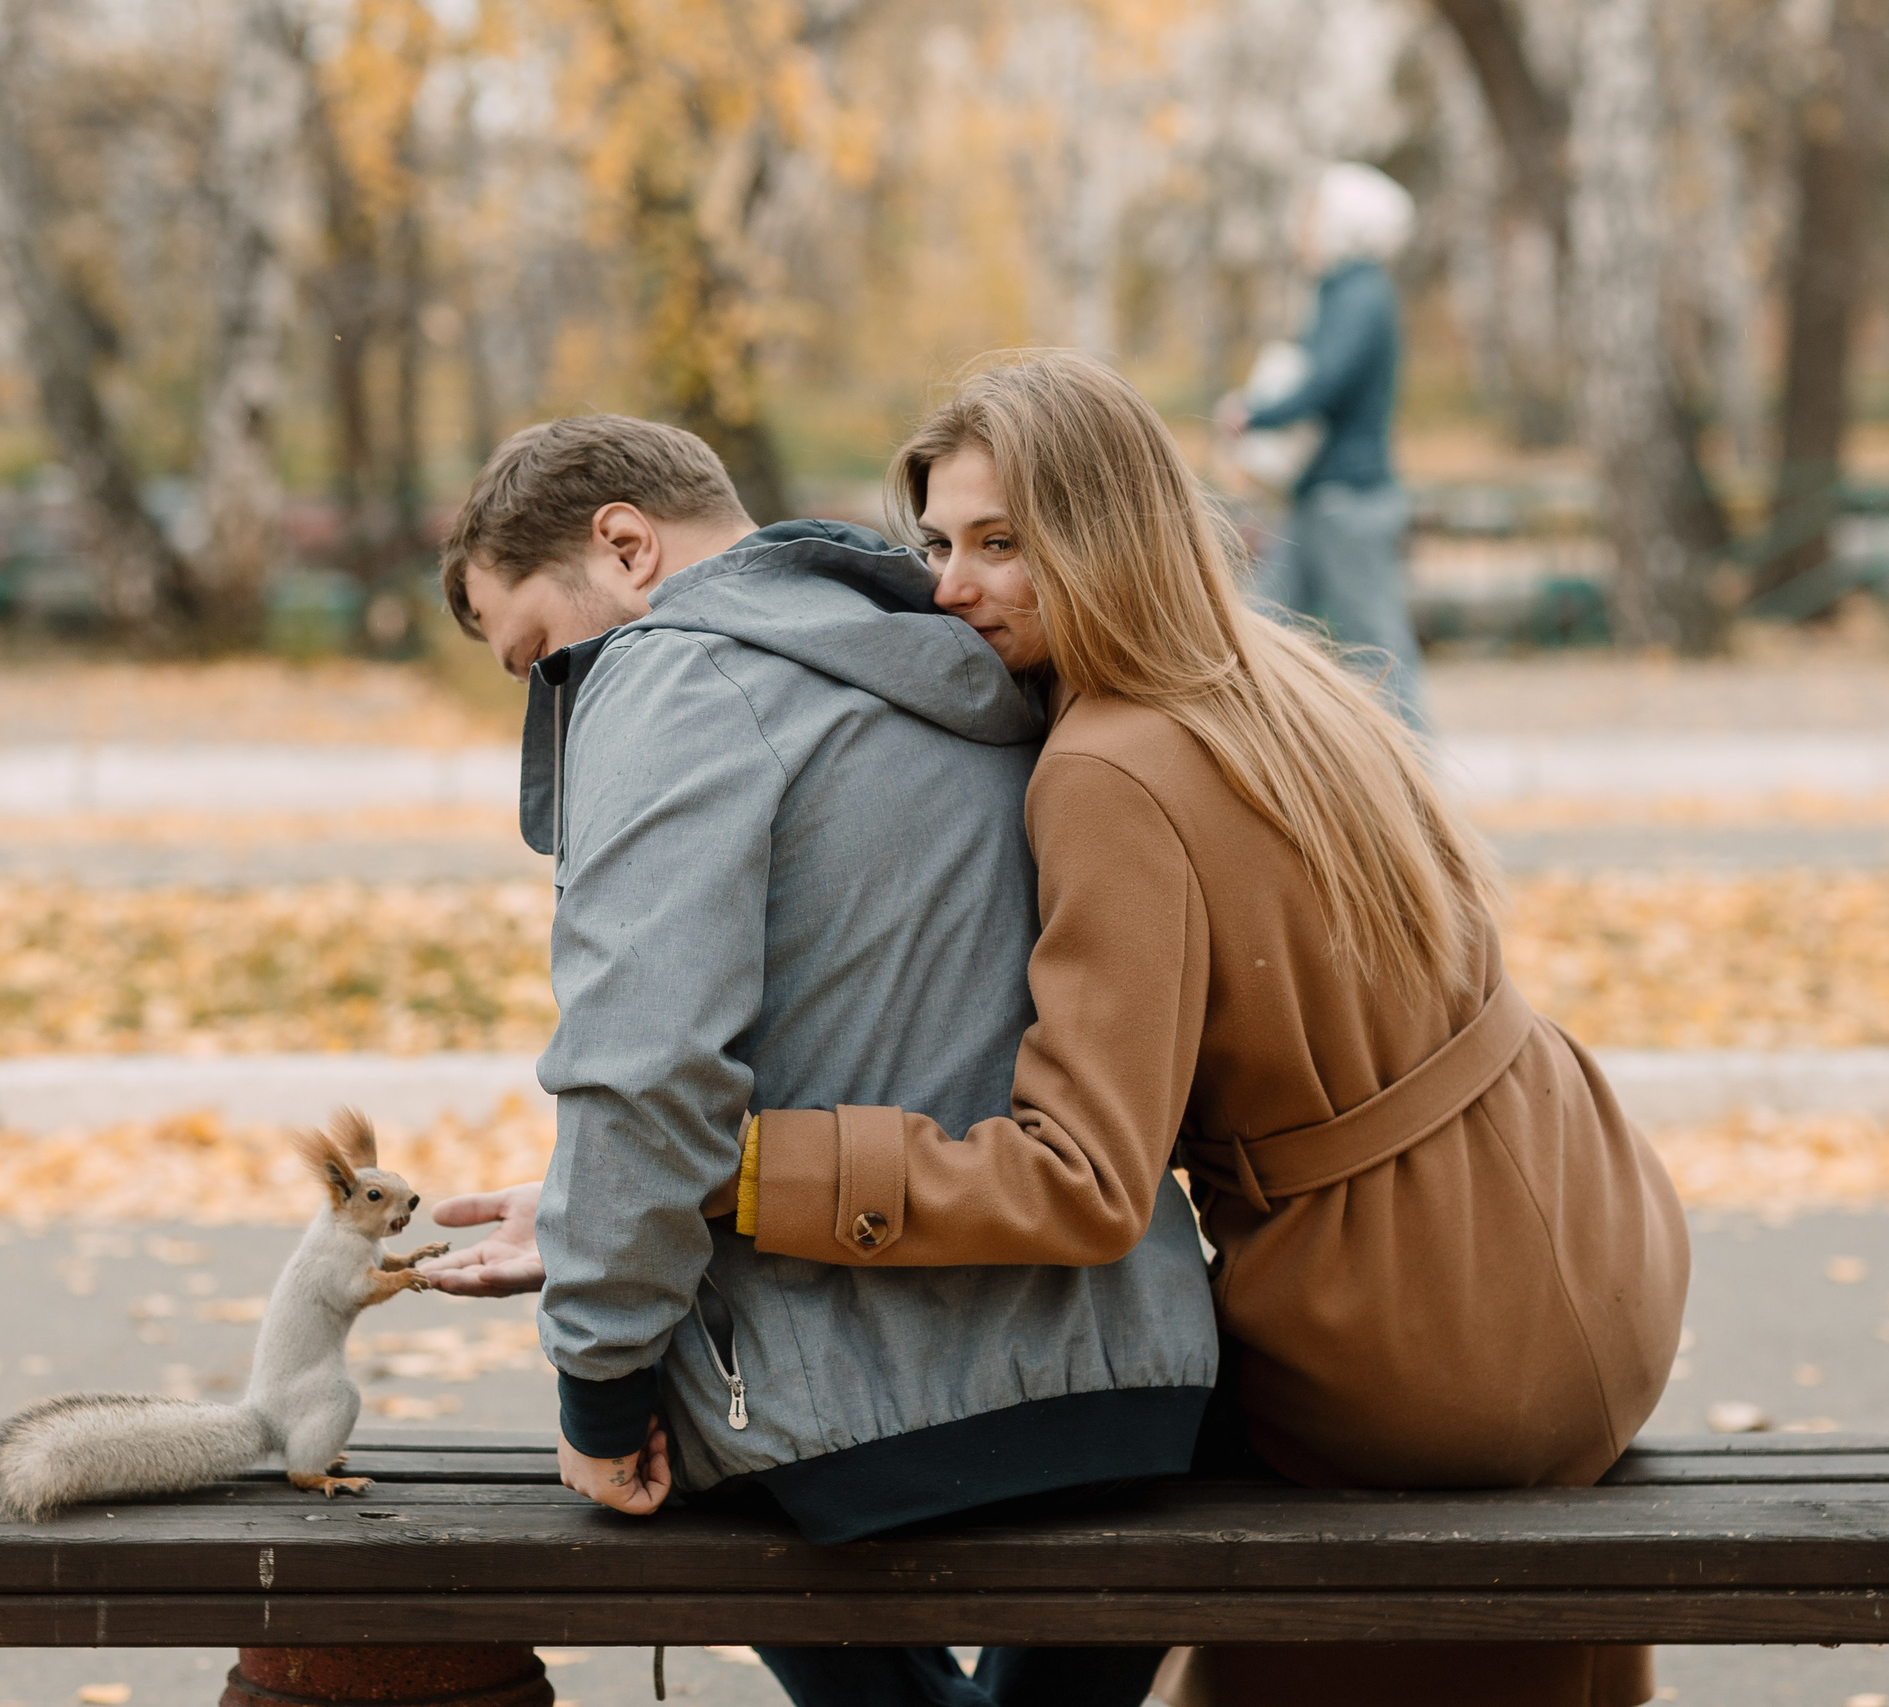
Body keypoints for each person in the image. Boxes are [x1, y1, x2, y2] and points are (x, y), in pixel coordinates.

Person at [729, 352, 1690, 1707]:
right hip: (1600, 1256)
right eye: (938, 542)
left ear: (1105, 530)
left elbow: (1081, 1179)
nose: (952, 586)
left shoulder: (1110, 765)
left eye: (1004, 542)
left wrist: (759, 1168)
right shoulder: (1280, 678)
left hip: (1420, 1344)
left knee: (1010, 1430)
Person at [431, 412, 1219, 1707]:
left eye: (538, 657)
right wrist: (593, 1206)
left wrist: (597, 1384)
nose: (552, 694)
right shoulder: (965, 652)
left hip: (863, 1424)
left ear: (626, 546)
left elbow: (647, 1072)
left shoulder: (668, 672)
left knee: (649, 1457)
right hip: (1139, 1379)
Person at [1219, 161, 1430, 732]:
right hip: (1321, 498)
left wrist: (1253, 414)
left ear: (1344, 224)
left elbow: (1324, 381)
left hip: (1349, 500)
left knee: (1377, 646)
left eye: (1313, 216)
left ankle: (1419, 786)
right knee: (1264, 627)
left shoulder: (1359, 292)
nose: (1302, 229)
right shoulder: (1343, 292)